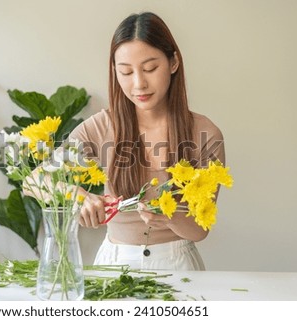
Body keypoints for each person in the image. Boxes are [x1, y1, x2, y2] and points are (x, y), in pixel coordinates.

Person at [76, 12, 225, 271]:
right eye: (125, 72)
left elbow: (200, 230)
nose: (138, 84)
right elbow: (36, 178)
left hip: (178, 265)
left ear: (174, 62)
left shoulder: (205, 133)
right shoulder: (101, 126)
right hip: (113, 265)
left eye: (150, 69)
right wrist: (77, 196)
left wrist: (170, 217)